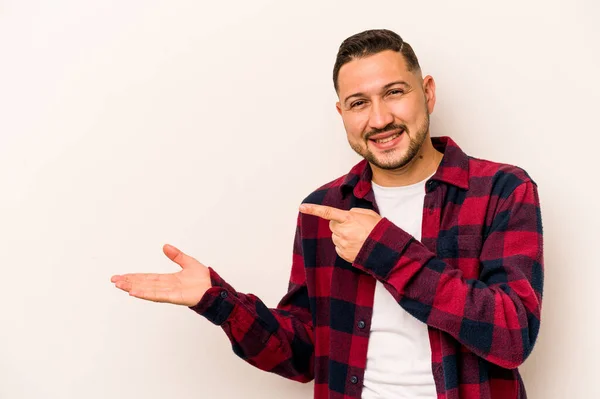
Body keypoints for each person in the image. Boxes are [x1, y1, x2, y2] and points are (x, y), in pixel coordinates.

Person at [111, 29, 544, 399]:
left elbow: (511, 335)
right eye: (358, 103)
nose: (379, 119)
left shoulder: (503, 190)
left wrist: (384, 250)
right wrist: (219, 302)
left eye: (394, 92)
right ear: (342, 113)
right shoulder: (326, 208)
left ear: (426, 92)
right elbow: (302, 356)